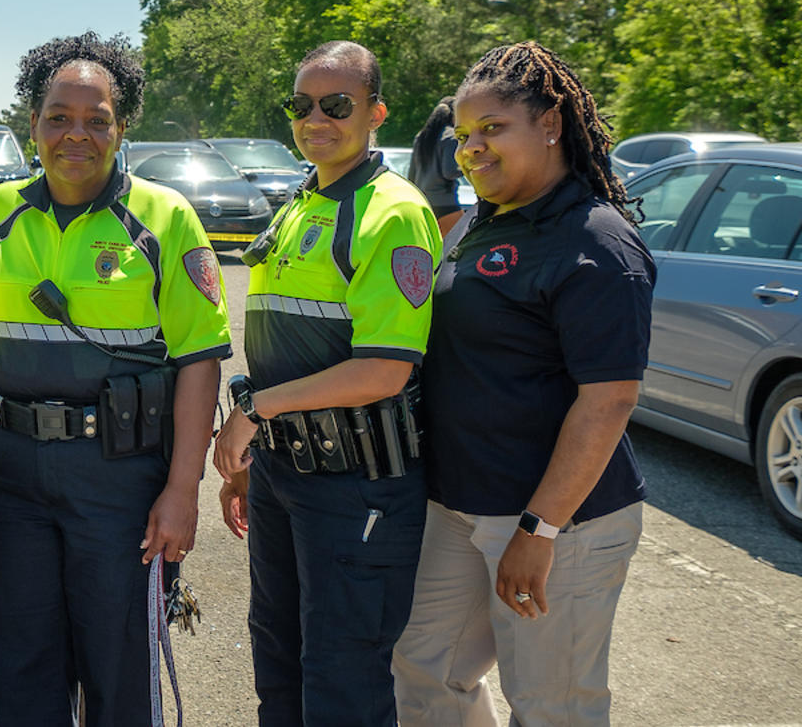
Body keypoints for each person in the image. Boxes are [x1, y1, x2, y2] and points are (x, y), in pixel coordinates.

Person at [0, 32, 230, 726]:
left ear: (121, 127)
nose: (76, 134)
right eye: (59, 117)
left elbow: (200, 361)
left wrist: (182, 491)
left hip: (120, 479)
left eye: (96, 120)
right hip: (12, 475)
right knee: (22, 670)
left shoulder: (165, 217)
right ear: (33, 124)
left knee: (119, 671)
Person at [392, 41, 654, 726]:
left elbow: (610, 400)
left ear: (551, 123)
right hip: (458, 504)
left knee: (550, 704)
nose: (471, 149)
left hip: (557, 522)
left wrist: (539, 530)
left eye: (492, 129)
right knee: (424, 668)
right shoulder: (482, 222)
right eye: (462, 136)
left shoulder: (595, 241)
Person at [213, 40, 441, 726]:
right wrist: (252, 459)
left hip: (356, 487)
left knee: (343, 684)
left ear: (376, 113)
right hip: (283, 473)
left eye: (337, 105)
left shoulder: (392, 211)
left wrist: (255, 411)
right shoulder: (299, 202)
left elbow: (384, 370)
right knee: (278, 663)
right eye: (302, 104)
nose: (316, 119)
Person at [407, 95, 467, 232]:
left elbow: (412, 173)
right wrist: (468, 166)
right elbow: (450, 172)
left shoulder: (421, 136)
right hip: (445, 202)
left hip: (422, 202)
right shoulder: (451, 136)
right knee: (459, 241)